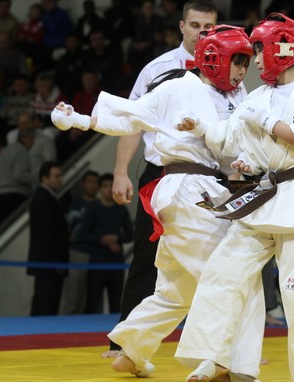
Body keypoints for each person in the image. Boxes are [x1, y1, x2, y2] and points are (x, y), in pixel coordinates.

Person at [51, 24, 264, 382]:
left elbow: (237, 143)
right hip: (189, 189)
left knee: (175, 289)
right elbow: (132, 115)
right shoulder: (178, 87)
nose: (243, 71)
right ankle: (223, 361)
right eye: (237, 61)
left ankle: (132, 349)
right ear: (215, 59)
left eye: (246, 63)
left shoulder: (234, 96)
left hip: (200, 189)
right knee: (230, 273)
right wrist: (80, 119)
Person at [174, 13, 294, 382]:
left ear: (283, 50)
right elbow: (229, 139)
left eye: (258, 50)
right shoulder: (258, 97)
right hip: (263, 196)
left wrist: (266, 121)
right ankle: (222, 361)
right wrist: (202, 128)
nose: (254, 60)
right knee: (224, 273)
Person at [106, 0, 217, 358]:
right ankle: (122, 343)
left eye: (208, 27)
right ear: (182, 26)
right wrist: (121, 172)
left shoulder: (227, 68)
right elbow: (132, 122)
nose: (201, 33)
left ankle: (221, 347)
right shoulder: (157, 69)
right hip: (161, 173)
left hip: (210, 176)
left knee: (220, 258)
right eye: (195, 25)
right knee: (146, 255)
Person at [73, 173, 133, 313]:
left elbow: (130, 235)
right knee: (92, 302)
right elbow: (81, 235)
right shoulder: (92, 208)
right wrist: (102, 240)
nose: (108, 189)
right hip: (97, 262)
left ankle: (116, 327)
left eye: (111, 185)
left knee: (116, 303)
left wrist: (116, 238)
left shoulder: (121, 209)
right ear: (100, 188)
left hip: (116, 263)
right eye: (105, 186)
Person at [27, 161, 69, 316]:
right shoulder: (44, 199)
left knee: (43, 303)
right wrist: (56, 262)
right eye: (56, 176)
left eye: (60, 176)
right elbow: (47, 234)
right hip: (49, 263)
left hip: (48, 263)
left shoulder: (46, 197)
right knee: (47, 305)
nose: (60, 179)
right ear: (44, 178)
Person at [61, 170, 100, 315]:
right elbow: (74, 232)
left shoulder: (101, 205)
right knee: (74, 297)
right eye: (89, 182)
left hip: (98, 254)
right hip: (79, 253)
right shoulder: (76, 205)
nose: (93, 186)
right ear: (83, 184)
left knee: (94, 300)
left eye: (96, 182)